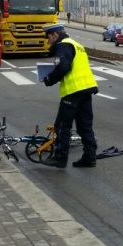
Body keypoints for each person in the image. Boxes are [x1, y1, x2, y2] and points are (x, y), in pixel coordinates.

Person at [39, 23, 99, 168]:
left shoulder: (63, 45)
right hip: (86, 88)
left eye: (49, 38)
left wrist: (48, 79)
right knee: (85, 126)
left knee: (62, 126)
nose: (48, 41)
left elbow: (62, 67)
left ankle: (60, 158)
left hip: (73, 91)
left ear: (55, 35)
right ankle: (89, 157)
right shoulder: (77, 45)